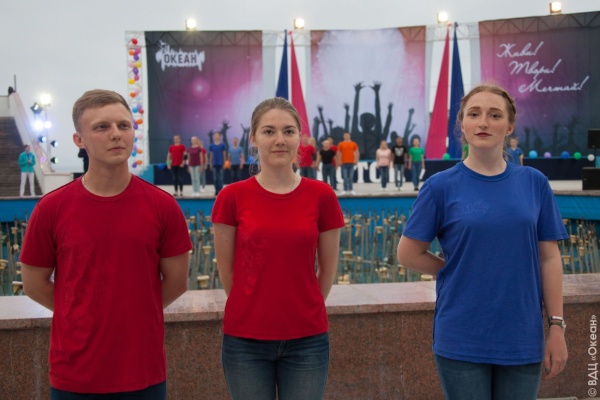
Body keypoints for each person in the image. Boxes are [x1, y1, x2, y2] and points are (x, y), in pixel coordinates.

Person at [397, 83, 568, 400]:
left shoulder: (534, 183)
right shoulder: (439, 187)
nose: (484, 123)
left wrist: (556, 325)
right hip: (462, 335)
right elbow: (408, 253)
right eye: (474, 114)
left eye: (495, 115)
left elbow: (549, 258)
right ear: (462, 124)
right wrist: (454, 269)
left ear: (510, 126)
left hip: (521, 335)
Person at [20, 89, 191, 399]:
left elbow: (177, 282)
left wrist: (135, 313)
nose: (116, 134)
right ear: (79, 140)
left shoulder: (163, 207)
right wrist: (81, 314)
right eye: (102, 127)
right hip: (74, 374)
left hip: (143, 371)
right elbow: (33, 284)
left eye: (124, 125)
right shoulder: (51, 209)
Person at [212, 97, 344, 400]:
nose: (280, 140)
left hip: (307, 339)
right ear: (254, 138)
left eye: (288, 131)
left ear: (300, 138)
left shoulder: (322, 196)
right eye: (269, 131)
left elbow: (327, 271)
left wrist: (303, 308)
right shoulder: (231, 197)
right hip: (245, 340)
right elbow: (227, 271)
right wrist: (252, 307)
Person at [208, 132, 226, 196]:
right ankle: (216, 190)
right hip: (214, 164)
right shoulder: (212, 145)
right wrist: (210, 163)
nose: (216, 136)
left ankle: (220, 191)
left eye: (217, 135)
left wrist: (224, 163)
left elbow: (224, 154)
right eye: (215, 135)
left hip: (221, 163)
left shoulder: (222, 145)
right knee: (215, 178)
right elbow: (211, 155)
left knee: (220, 178)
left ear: (219, 136)